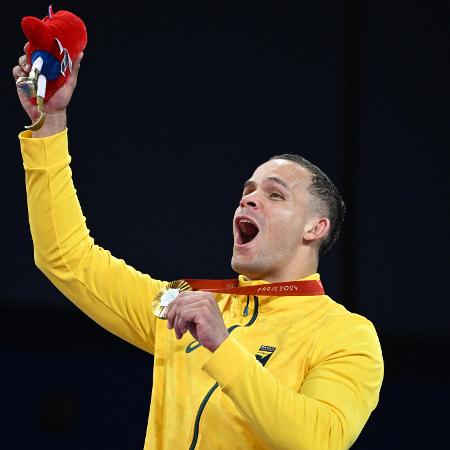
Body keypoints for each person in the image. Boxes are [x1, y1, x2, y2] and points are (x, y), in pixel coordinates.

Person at [13, 45, 383, 450]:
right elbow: (66, 258)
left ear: (315, 227)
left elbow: (318, 440)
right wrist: (49, 124)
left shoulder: (346, 335)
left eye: (275, 195)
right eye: (248, 191)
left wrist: (222, 346)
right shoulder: (182, 304)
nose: (249, 199)